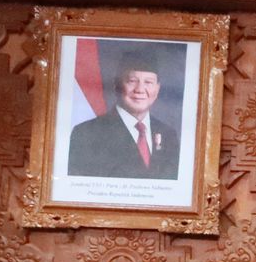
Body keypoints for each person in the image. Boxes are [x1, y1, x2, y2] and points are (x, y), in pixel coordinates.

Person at [67, 48, 181, 180]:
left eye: (148, 82)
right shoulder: (86, 133)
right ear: (117, 85)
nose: (140, 90)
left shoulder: (168, 135)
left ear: (158, 88)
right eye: (132, 81)